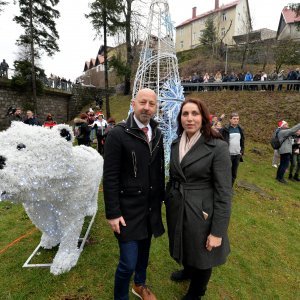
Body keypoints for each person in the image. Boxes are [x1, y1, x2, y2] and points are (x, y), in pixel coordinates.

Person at [166, 98, 232, 300]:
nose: (190, 118)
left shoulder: (217, 147)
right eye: (185, 114)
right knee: (185, 242)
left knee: (203, 254)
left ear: (204, 117)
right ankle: (188, 270)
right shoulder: (176, 143)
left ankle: (196, 292)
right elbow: (174, 175)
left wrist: (217, 231)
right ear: (180, 118)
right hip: (178, 205)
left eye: (195, 113)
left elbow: (224, 193)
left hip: (202, 210)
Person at [103, 88, 165, 300]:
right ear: (133, 104)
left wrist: (161, 202)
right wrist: (112, 212)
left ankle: (139, 285)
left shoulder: (157, 134)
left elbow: (158, 171)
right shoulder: (117, 134)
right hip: (127, 211)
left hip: (149, 209)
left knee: (143, 256)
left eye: (151, 104)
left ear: (156, 107)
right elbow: (110, 176)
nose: (147, 107)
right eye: (143, 102)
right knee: (127, 262)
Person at [220, 112, 245, 186]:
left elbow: (242, 141)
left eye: (237, 119)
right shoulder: (225, 129)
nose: (236, 120)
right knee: (225, 172)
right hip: (228, 155)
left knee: (234, 173)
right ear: (230, 120)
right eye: (234, 119)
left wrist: (242, 151)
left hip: (237, 155)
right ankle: (223, 187)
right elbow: (219, 140)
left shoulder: (240, 129)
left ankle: (230, 188)